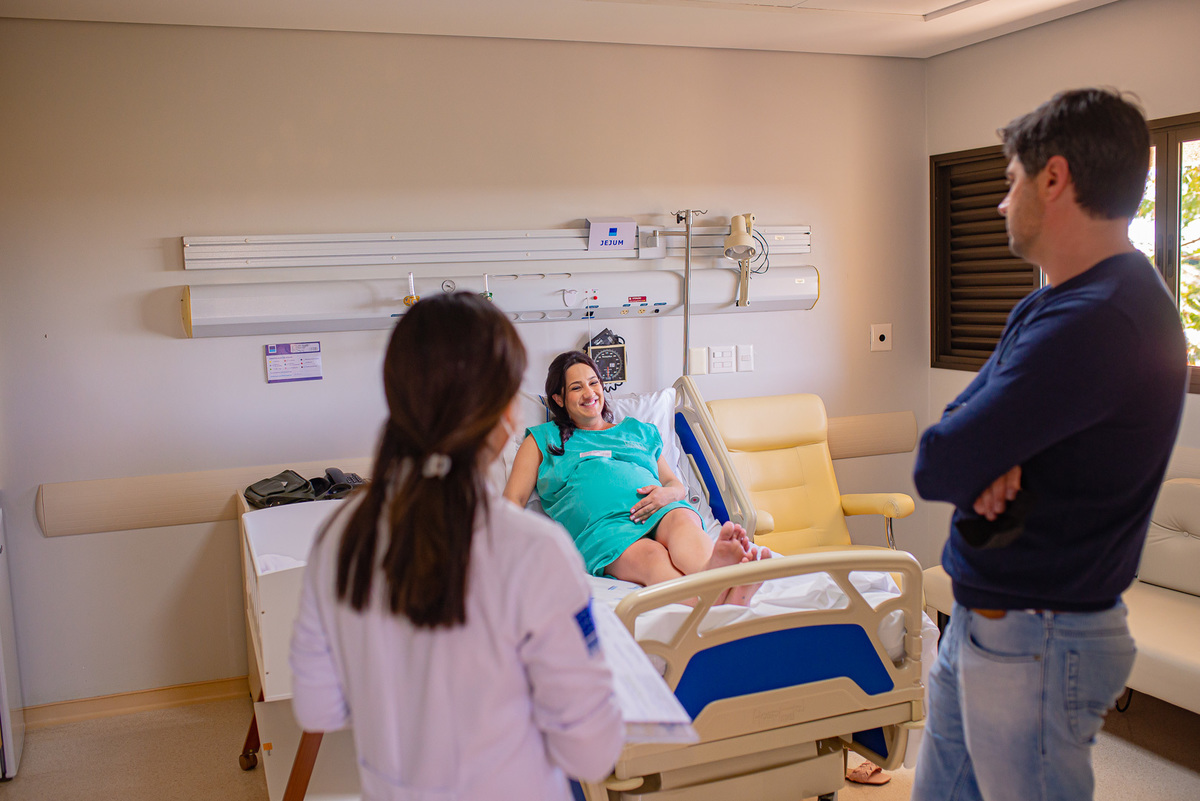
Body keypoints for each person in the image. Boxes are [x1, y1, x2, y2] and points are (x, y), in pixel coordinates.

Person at [911, 88, 1188, 801]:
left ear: (1054, 178)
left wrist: (985, 449)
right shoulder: (1049, 303)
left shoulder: (1104, 320)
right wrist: (985, 447)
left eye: (1010, 182)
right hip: (990, 620)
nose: (1001, 203)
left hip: (1037, 635)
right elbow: (954, 438)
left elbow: (940, 459)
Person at [289, 294, 624, 801]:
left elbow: (318, 709)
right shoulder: (534, 550)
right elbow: (592, 754)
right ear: (504, 414)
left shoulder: (339, 537)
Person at [504, 350, 768, 605]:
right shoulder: (542, 439)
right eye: (576, 388)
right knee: (652, 557)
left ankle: (714, 571)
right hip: (603, 530)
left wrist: (667, 494)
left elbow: (675, 484)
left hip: (661, 507)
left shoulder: (638, 430)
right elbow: (513, 500)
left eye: (594, 383)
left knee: (682, 521)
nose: (589, 393)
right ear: (559, 399)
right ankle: (718, 596)